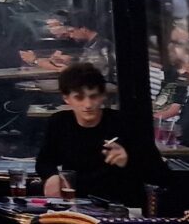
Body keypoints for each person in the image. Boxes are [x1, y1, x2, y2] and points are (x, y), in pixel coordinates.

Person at [36, 63, 163, 204]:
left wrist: (128, 160)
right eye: (79, 97)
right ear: (66, 98)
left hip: (120, 205)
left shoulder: (125, 123)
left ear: (103, 96)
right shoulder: (59, 122)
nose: (88, 104)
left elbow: (160, 174)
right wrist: (51, 176)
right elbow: (44, 161)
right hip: (76, 204)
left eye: (93, 96)